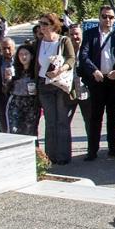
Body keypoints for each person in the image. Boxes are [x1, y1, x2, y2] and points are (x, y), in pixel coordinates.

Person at [78, 6, 115, 160]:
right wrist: (94, 70)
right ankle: (92, 150)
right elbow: (83, 56)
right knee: (95, 116)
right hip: (97, 80)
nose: (108, 20)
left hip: (113, 80)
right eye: (104, 16)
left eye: (111, 17)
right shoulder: (90, 34)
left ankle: (113, 147)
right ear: (99, 17)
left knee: (113, 115)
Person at [34, 13, 76, 165]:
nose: (42, 27)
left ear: (53, 25)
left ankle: (63, 156)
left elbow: (71, 58)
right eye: (40, 23)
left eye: (45, 23)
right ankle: (50, 156)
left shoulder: (64, 40)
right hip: (44, 84)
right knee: (50, 121)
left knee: (62, 121)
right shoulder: (39, 42)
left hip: (60, 84)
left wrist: (60, 70)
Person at [4, 44, 41, 137]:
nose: (23, 57)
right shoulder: (14, 70)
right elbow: (6, 89)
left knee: (30, 131)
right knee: (14, 130)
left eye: (26, 54)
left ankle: (33, 151)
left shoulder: (36, 71)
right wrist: (8, 80)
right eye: (20, 54)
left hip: (31, 103)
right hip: (16, 102)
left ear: (31, 56)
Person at [66, 24, 93, 139]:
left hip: (85, 91)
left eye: (77, 34)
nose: (74, 37)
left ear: (82, 35)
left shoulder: (87, 50)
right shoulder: (64, 51)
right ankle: (65, 152)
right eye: (71, 34)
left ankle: (91, 151)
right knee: (65, 122)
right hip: (69, 92)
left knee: (90, 122)